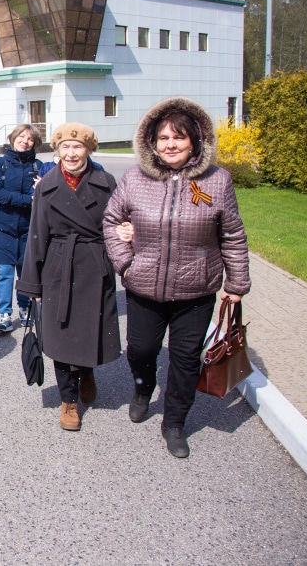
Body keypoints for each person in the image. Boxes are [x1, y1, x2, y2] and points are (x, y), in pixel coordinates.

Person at [104, 97, 251, 458]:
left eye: (179, 138)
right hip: (144, 287)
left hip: (195, 292)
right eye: (163, 138)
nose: (170, 145)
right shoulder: (135, 179)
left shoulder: (218, 181)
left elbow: (232, 235)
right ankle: (143, 387)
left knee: (186, 360)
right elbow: (110, 221)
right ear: (151, 143)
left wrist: (236, 285)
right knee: (141, 350)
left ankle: (174, 423)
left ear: (195, 141)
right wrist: (126, 264)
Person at [16, 123, 121, 432]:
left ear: (88, 150)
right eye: (65, 147)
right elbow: (36, 236)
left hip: (94, 263)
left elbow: (117, 223)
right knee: (61, 335)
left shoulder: (106, 182)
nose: (71, 153)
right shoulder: (46, 186)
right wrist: (32, 283)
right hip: (58, 267)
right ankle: (68, 400)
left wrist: (126, 237)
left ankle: (87, 371)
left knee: (89, 328)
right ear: (57, 150)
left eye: (78, 147)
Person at [0, 124, 43, 332]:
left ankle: (25, 308)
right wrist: (28, 199)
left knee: (26, 273)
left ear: (34, 143)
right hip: (3, 228)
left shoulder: (38, 166)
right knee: (4, 273)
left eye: (29, 139)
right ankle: (4, 315)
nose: (24, 141)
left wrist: (32, 197)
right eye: (21, 136)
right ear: (13, 138)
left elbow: (42, 196)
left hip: (28, 229)